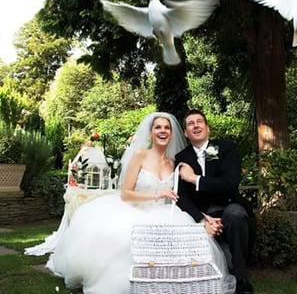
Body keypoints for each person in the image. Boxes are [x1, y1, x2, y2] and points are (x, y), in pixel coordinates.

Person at [43, 112, 235, 294]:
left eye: (166, 127)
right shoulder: (140, 156)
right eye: (158, 127)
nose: (162, 131)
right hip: (135, 209)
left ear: (172, 132)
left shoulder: (173, 162)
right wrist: (155, 196)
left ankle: (168, 282)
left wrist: (202, 217)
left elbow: (181, 197)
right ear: (151, 132)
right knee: (122, 242)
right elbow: (125, 194)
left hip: (166, 214)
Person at [175, 109, 256, 294]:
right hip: (204, 213)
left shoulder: (226, 148)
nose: (195, 125)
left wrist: (195, 179)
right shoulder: (181, 158)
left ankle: (242, 279)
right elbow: (182, 196)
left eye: (199, 122)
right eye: (190, 123)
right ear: (186, 133)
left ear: (207, 128)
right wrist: (202, 220)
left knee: (234, 215)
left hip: (229, 205)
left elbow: (230, 184)